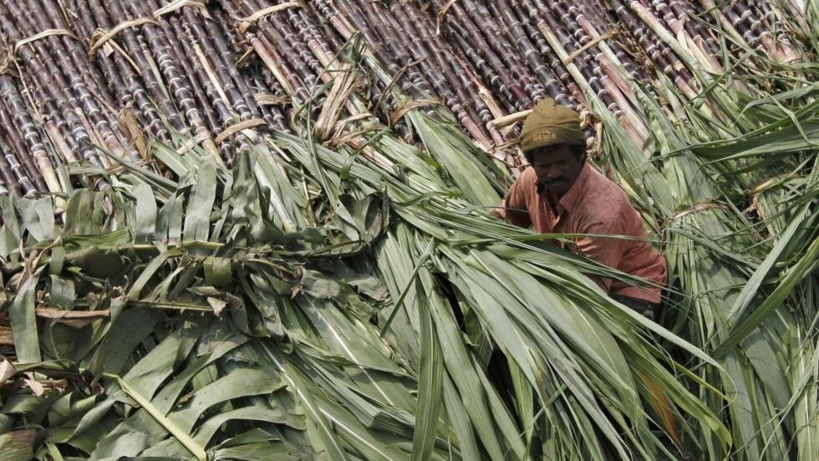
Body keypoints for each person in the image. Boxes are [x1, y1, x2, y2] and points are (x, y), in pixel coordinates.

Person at [495, 98, 667, 319]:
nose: (553, 173)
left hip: (626, 289)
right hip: (570, 274)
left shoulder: (601, 213)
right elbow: (502, 219)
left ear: (580, 156)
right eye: (544, 165)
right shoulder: (530, 180)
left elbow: (588, 291)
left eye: (561, 162)